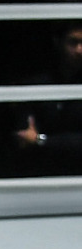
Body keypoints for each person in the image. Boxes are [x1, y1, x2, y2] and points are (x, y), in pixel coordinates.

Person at [13, 20, 82, 174]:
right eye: (73, 42)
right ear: (58, 42)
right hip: (42, 173)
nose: (79, 50)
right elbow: (25, 137)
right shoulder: (36, 85)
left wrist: (42, 140)